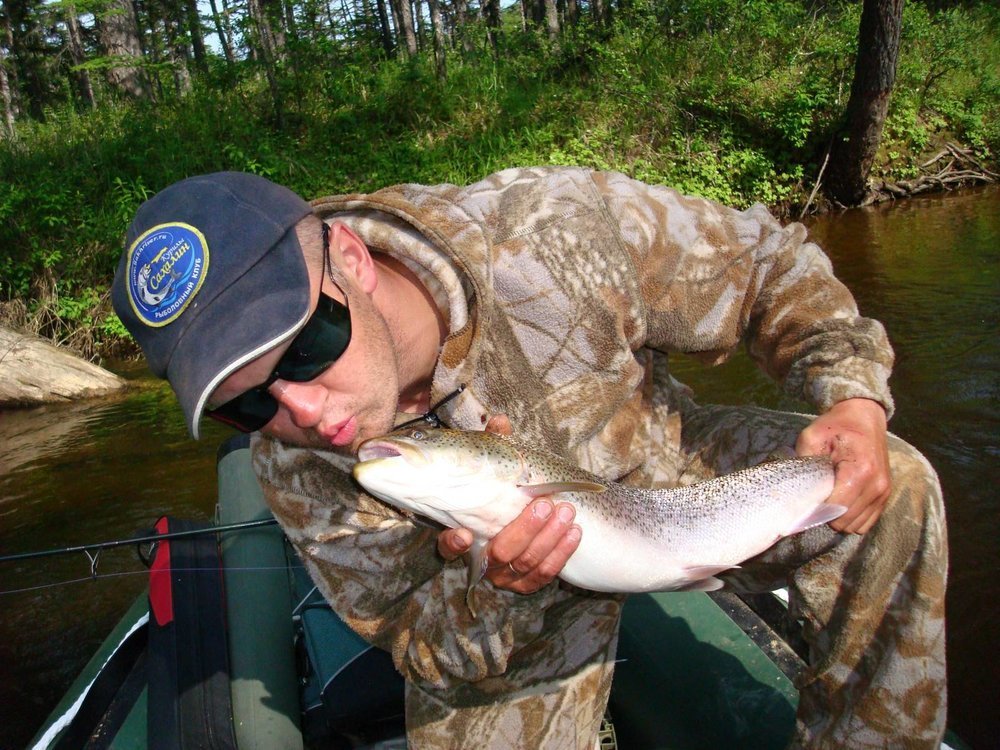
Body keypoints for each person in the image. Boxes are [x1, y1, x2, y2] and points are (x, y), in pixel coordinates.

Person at [112, 168, 947, 748]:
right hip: (503, 610)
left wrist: (853, 395)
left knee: (894, 482)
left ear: (354, 265)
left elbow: (769, 264)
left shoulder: (545, 228)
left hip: (669, 479)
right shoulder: (293, 464)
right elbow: (417, 640)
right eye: (245, 404)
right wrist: (493, 592)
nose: (298, 411)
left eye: (305, 350)